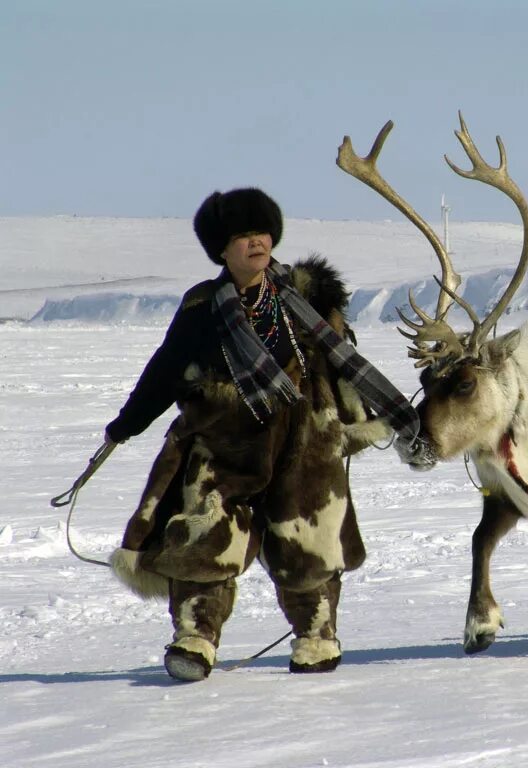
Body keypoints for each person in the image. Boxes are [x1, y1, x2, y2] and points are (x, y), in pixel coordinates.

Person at [105, 187, 420, 682]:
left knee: (307, 541)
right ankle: (196, 639)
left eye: (262, 232)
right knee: (207, 537)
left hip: (304, 438)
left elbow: (342, 358)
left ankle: (316, 636)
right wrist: (126, 425)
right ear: (222, 250)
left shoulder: (306, 299)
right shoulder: (202, 307)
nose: (257, 243)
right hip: (226, 440)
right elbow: (164, 370)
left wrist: (363, 418)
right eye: (243, 236)